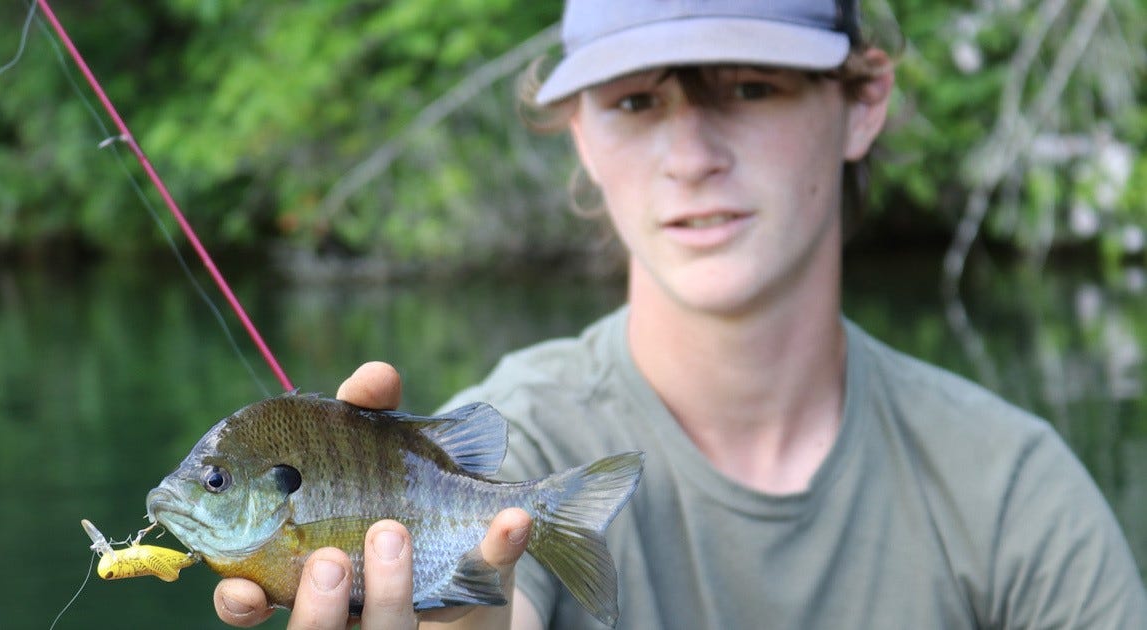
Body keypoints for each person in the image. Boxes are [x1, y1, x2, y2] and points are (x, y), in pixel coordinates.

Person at [214, 1, 1147, 628]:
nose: (691, 153)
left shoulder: (1018, 499)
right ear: (579, 131)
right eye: (634, 101)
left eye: (749, 88)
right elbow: (505, 586)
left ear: (863, 103)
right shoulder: (523, 439)